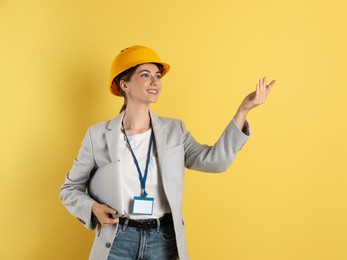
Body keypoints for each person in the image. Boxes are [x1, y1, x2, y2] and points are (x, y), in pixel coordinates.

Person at [60, 45, 276, 260]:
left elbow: (215, 161)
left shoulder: (175, 131)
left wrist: (243, 110)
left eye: (157, 76)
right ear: (124, 85)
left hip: (162, 241)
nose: (155, 82)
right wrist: (93, 208)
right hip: (117, 240)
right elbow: (69, 189)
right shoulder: (97, 135)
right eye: (145, 75)